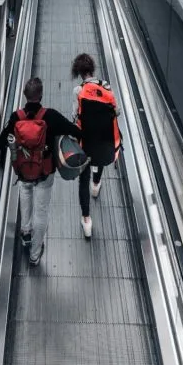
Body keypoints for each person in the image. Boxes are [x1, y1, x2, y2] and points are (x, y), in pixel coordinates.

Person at [0, 76, 79, 266]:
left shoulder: (16, 117)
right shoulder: (50, 116)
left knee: (25, 195)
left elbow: (1, 141)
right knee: (41, 213)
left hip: (23, 171)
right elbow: (74, 130)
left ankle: (25, 233)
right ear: (41, 95)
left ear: (25, 95)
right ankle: (35, 254)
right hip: (45, 172)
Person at [71, 53, 121, 239]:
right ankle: (97, 183)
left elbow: (75, 116)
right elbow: (117, 111)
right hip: (105, 142)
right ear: (92, 69)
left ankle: (86, 220)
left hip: (85, 143)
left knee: (81, 180)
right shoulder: (106, 86)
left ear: (78, 72)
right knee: (99, 158)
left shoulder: (78, 91)